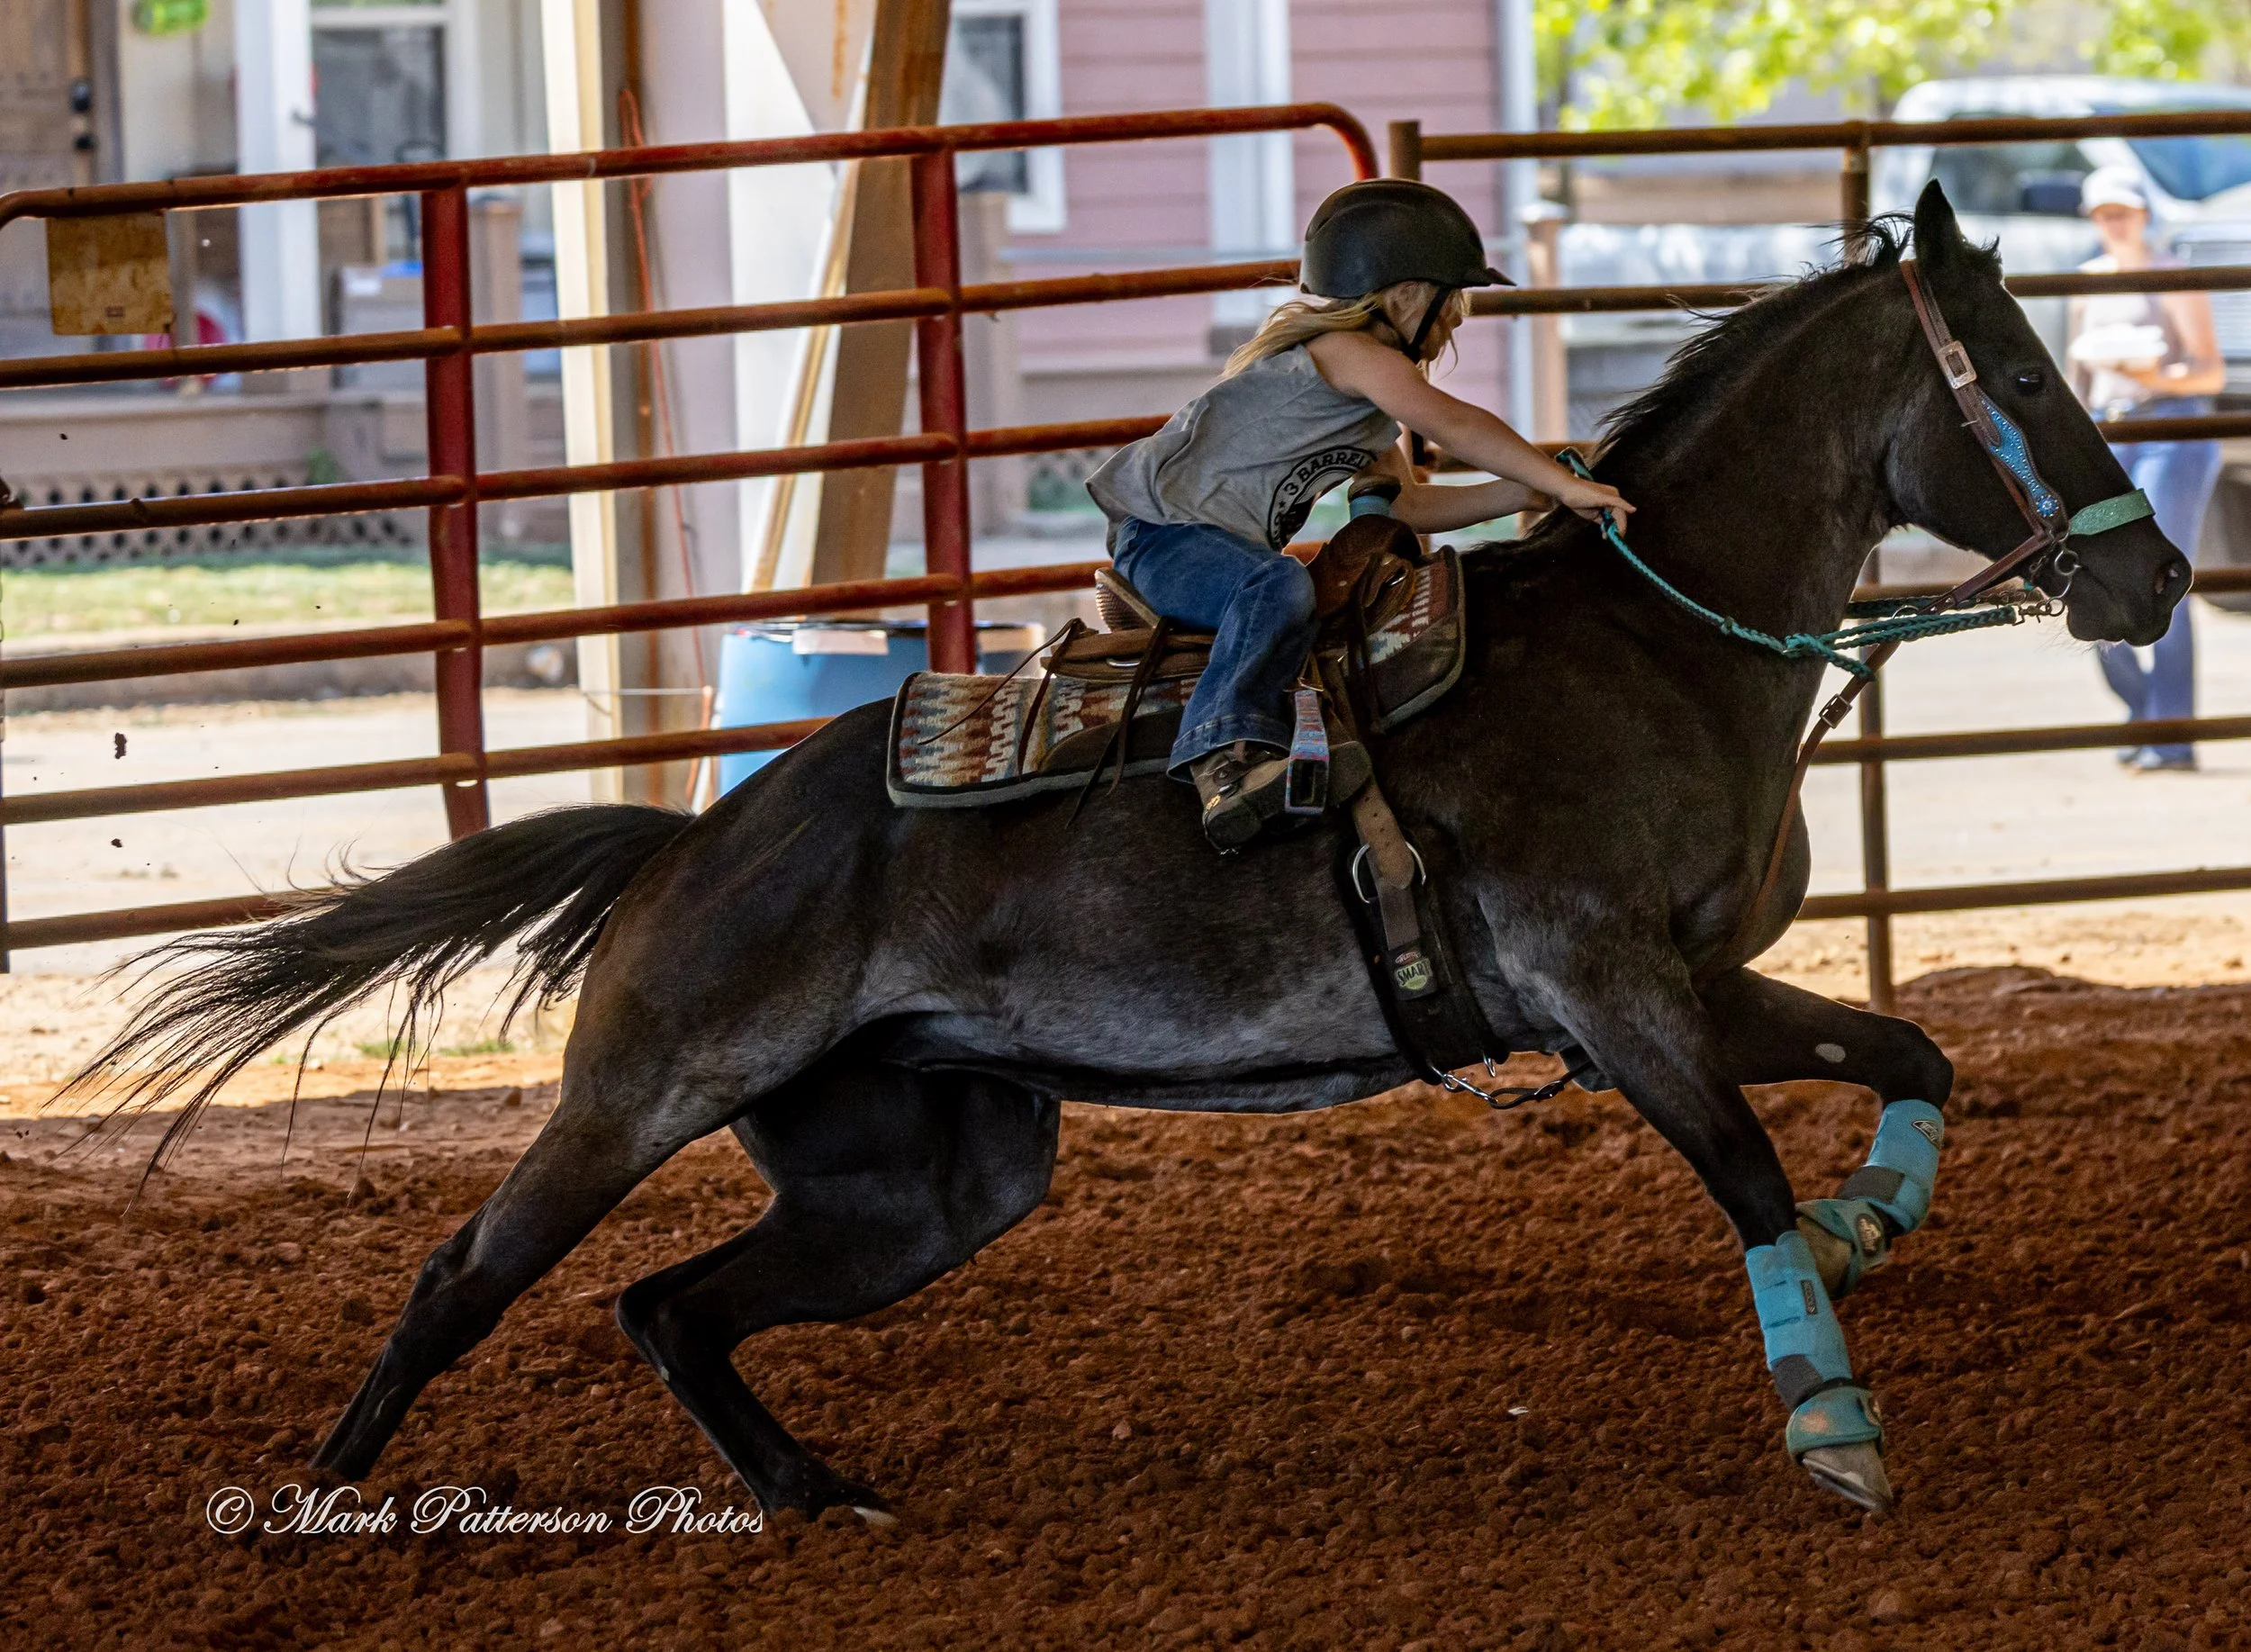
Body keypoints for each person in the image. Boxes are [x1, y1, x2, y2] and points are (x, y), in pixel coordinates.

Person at [1087, 179, 1632, 850]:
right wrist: (1558, 477)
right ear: (1405, 294)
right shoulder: (1351, 357)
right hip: (1163, 536)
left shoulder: (1365, 403)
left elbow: (1407, 504)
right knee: (1277, 583)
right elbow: (1454, 424)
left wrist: (1523, 494)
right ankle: (1223, 756)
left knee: (1284, 585)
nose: (1459, 318)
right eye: (1452, 299)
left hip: (1202, 544)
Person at [2066, 165, 2228, 772]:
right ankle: (2143, 708)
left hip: (2170, 430)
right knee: (2092, 574)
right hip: (2109, 433)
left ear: (2143, 215)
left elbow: (2209, 372)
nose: (2115, 222)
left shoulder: (2171, 276)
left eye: (2124, 211)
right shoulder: (2085, 282)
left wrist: (2154, 375)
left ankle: (2172, 733)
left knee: (2163, 578)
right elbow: (2075, 383)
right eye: (2104, 213)